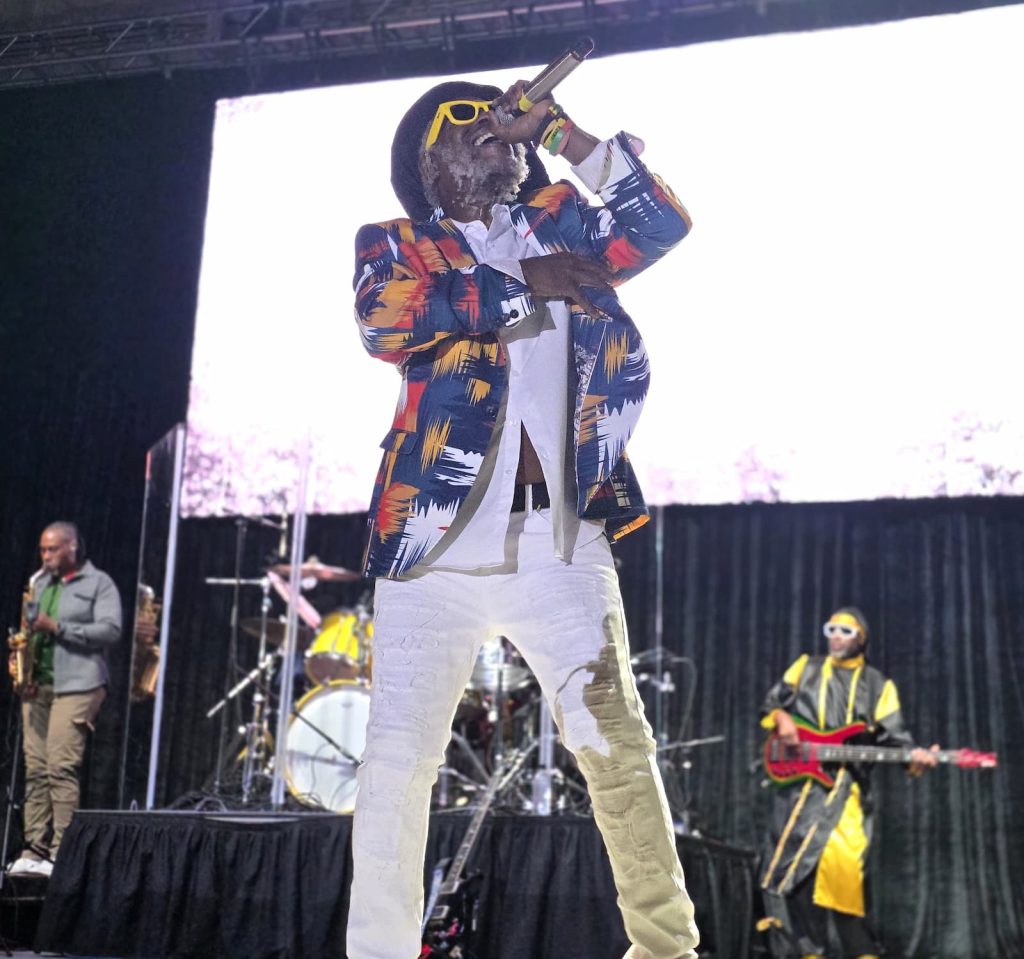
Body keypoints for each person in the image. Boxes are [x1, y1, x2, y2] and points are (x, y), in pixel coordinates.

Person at [348, 77, 698, 959]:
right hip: (432, 546)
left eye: (499, 122)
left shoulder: (558, 221)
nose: (489, 130)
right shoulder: (397, 243)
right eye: (463, 123)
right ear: (425, 161)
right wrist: (520, 283)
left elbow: (660, 224)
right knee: (397, 762)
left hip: (559, 540)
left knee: (615, 742)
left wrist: (565, 135)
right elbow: (385, 321)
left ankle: (666, 948)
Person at [759, 607, 938, 959]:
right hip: (799, 790)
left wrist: (915, 760)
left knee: (844, 874)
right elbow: (771, 704)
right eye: (832, 629)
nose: (836, 636)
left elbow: (896, 741)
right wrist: (781, 718)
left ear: (861, 639)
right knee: (793, 874)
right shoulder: (805, 667)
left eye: (845, 631)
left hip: (846, 792)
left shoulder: (878, 686)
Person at [5, 521, 121, 877]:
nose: (46, 556)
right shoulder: (40, 583)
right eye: (42, 549)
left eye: (52, 549)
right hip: (38, 685)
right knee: (36, 769)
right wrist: (20, 661)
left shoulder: (99, 583)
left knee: (59, 766)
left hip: (79, 684)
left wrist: (57, 627)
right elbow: (29, 630)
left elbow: (111, 630)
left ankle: (62, 853)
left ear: (73, 547)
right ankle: (34, 850)